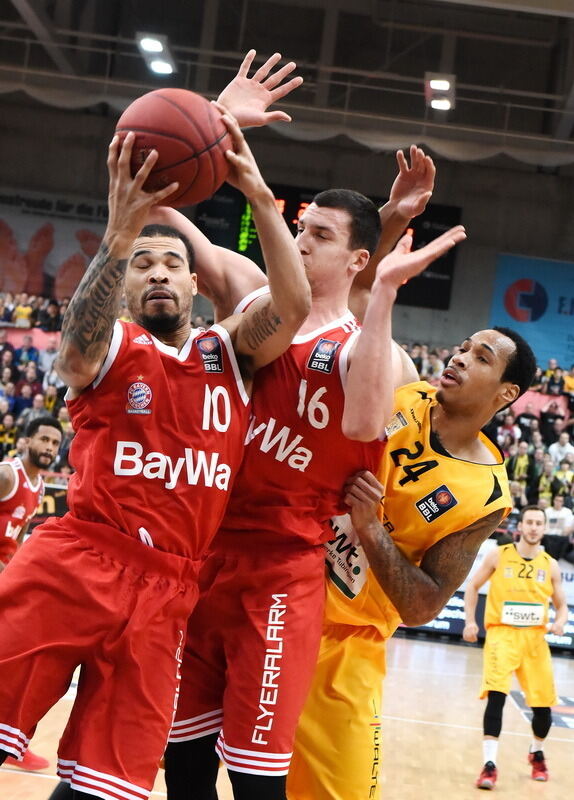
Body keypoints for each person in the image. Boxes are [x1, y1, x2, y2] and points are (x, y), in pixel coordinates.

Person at [0, 89, 311, 800]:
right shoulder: (108, 343)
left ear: (197, 285)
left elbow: (292, 306)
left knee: (107, 789)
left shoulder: (228, 351)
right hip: (79, 561)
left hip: (170, 589)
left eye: (171, 264)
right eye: (143, 266)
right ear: (124, 284)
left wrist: (257, 192)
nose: (159, 274)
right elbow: (76, 350)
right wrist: (118, 237)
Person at [163, 155, 454, 799]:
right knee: (181, 768)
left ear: (357, 260)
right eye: (302, 229)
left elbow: (367, 420)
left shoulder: (366, 348)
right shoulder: (255, 303)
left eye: (321, 236)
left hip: (280, 575)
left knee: (256, 782)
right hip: (204, 559)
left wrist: (383, 292)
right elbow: (177, 233)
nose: (300, 242)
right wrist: (197, 144)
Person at [287, 326, 538, 800]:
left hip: (346, 644)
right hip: (275, 594)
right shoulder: (401, 390)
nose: (460, 357)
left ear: (507, 394)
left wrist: (369, 527)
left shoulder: (485, 496)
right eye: (462, 347)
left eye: (481, 358)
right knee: (177, 750)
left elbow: (423, 606)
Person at [462, 506, 567, 789]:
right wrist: (470, 621)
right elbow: (472, 586)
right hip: (501, 635)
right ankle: (489, 765)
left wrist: (560, 621)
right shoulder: (499, 555)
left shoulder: (551, 565)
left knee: (543, 709)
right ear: (520, 526)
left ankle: (536, 752)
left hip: (534, 640)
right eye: (529, 522)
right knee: (496, 697)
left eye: (538, 523)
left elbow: (561, 605)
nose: (533, 527)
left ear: (544, 528)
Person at [0, 416, 62, 771]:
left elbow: (18, 535)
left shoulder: (38, 486)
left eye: (54, 443)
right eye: (43, 440)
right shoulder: (7, 475)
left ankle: (12, 740)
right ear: (26, 441)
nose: (49, 448)